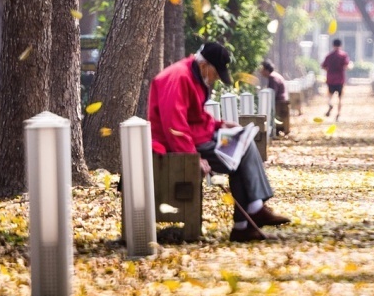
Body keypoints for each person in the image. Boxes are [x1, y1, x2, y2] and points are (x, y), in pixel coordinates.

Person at [148, 42, 290, 242]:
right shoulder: (178, 77)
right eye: (216, 73)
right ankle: (252, 213)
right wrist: (191, 157)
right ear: (205, 64)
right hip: (175, 145)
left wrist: (220, 124)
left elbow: (196, 116)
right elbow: (174, 125)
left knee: (243, 143)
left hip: (196, 137)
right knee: (243, 149)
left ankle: (245, 223)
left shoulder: (193, 74)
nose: (215, 78)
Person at [321, 38, 352, 121]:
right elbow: (347, 66)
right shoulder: (343, 55)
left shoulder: (329, 56)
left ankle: (330, 104)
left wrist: (329, 70)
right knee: (340, 98)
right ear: (340, 45)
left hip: (330, 79)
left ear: (333, 45)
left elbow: (323, 66)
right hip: (340, 80)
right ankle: (338, 115)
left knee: (330, 96)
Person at [260, 60, 290, 136]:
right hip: (281, 100)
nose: (261, 72)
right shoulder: (274, 76)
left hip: (279, 102)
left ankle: (274, 129)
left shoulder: (272, 77)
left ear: (266, 70)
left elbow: (273, 93)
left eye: (262, 69)